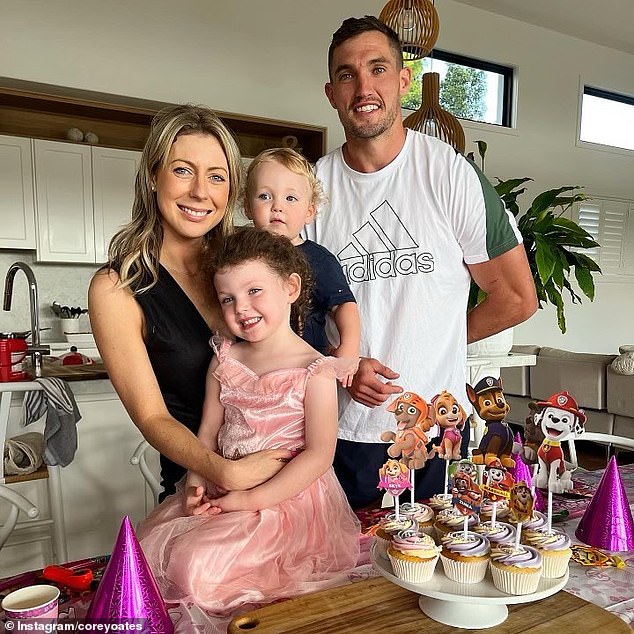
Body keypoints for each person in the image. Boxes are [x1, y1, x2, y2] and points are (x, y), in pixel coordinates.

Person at [305, 16, 538, 509]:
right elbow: (283, 317)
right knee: (341, 578)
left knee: (434, 569)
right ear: (331, 92)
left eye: (378, 68)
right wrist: (341, 365)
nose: (364, 87)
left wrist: (440, 337)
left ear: (404, 80)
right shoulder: (309, 192)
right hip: (334, 433)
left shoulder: (451, 175)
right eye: (347, 74)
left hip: (437, 431)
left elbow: (517, 298)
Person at [137, 228, 360, 620]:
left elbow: (320, 455)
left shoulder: (315, 369)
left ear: (290, 287)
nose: (242, 308)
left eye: (254, 291)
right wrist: (195, 483)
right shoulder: (224, 357)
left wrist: (252, 499)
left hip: (286, 502)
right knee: (158, 556)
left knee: (197, 569)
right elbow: (207, 434)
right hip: (222, 486)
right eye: (228, 298)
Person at [88, 104, 291, 501]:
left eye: (216, 177)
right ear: (152, 176)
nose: (200, 192)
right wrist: (226, 472)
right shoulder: (117, 288)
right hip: (200, 494)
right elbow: (152, 417)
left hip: (288, 481)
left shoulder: (246, 265)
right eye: (182, 170)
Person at [243, 147, 360, 385]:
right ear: (247, 207)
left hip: (305, 374)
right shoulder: (241, 257)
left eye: (290, 198)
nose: (277, 206)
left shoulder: (317, 259)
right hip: (251, 371)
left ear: (310, 211)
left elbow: (343, 306)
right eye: (265, 196)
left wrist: (349, 349)